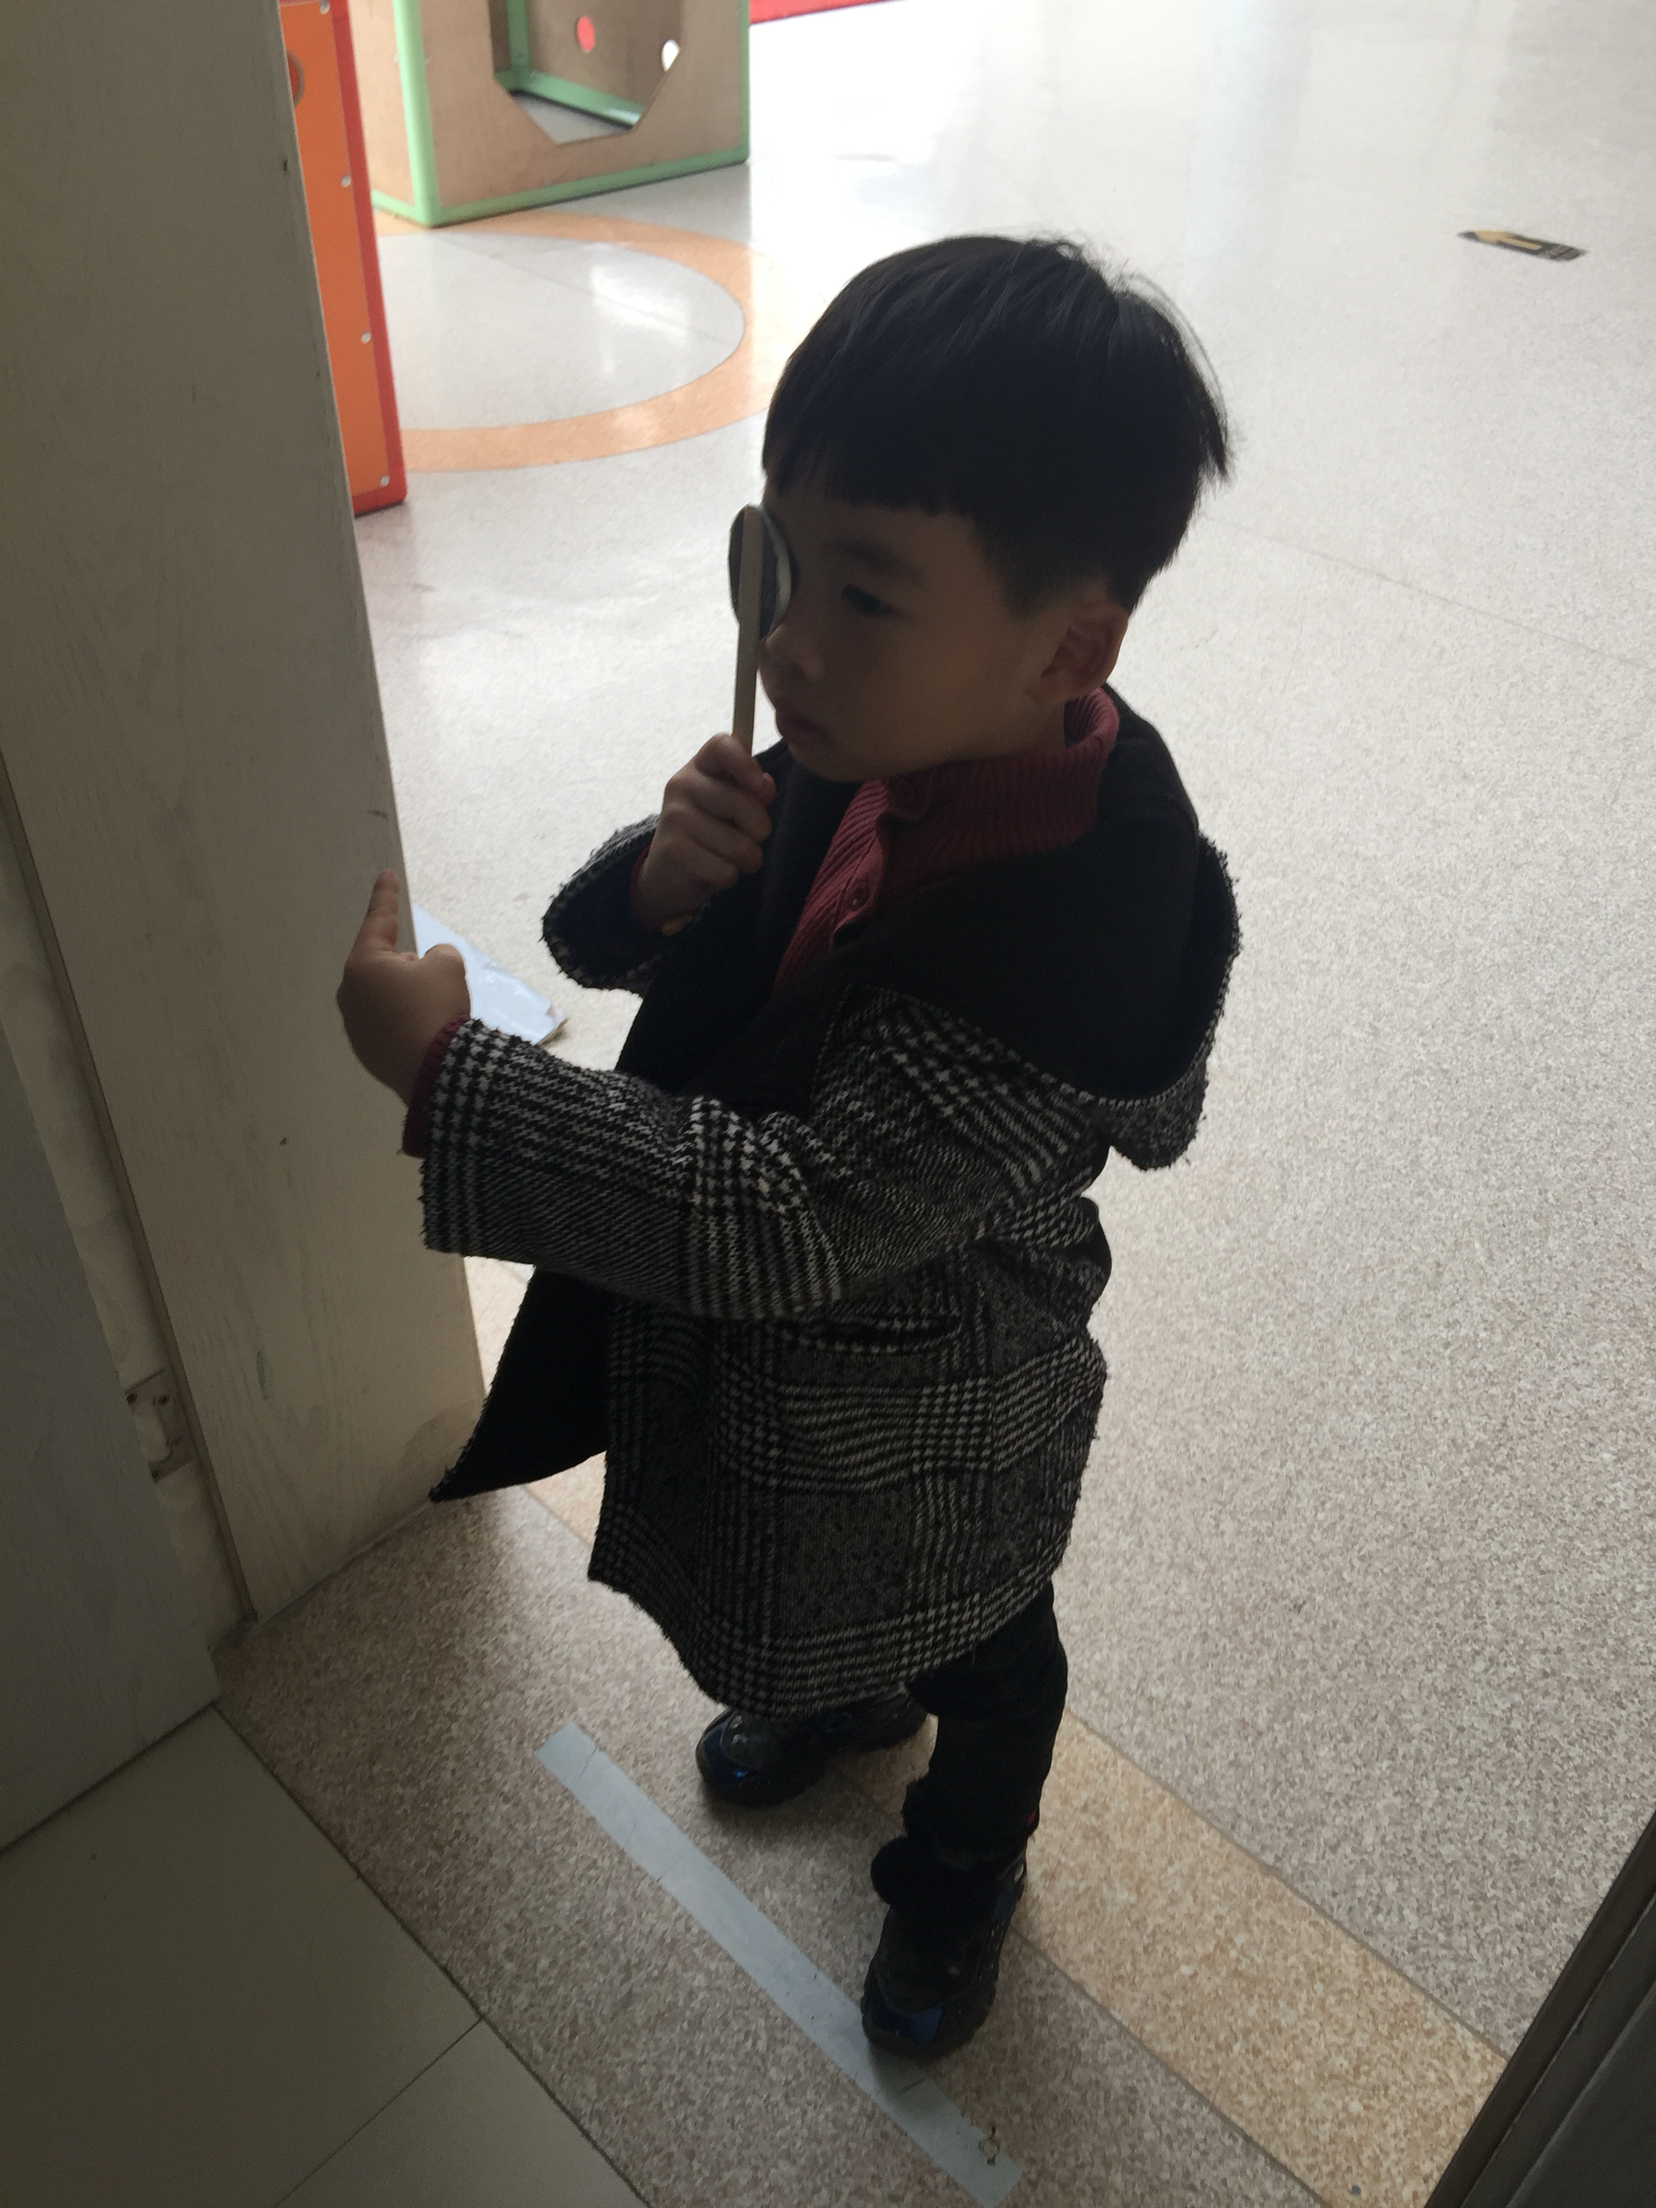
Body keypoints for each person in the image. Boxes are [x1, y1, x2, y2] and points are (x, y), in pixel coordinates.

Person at [338, 235, 1239, 2058]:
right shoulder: (887, 726)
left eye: (868, 592)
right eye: (781, 563)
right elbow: (693, 975)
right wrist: (659, 885)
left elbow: (777, 1219)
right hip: (803, 1401)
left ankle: (963, 1865)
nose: (789, 640)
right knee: (849, 1607)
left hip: (944, 1413)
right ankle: (845, 1688)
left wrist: (449, 1074)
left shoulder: (1055, 956)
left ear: (1070, 646)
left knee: (987, 1647)